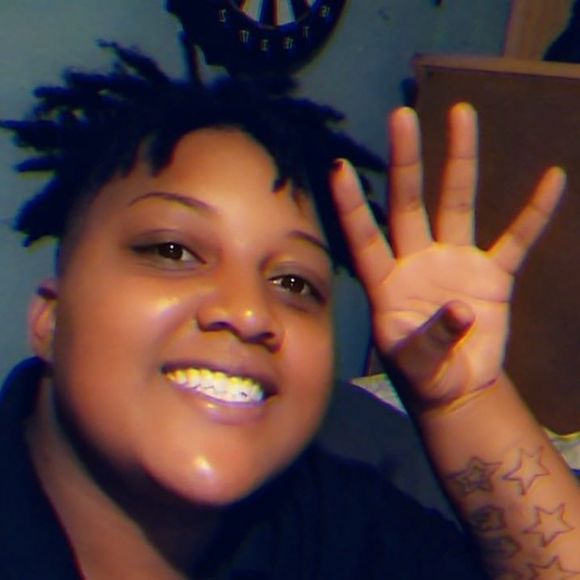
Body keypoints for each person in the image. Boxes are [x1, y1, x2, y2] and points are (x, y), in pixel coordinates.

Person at [0, 42, 578, 579]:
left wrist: (464, 400)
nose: (249, 312)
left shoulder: (326, 522)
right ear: (50, 319)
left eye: (294, 283)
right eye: (172, 251)